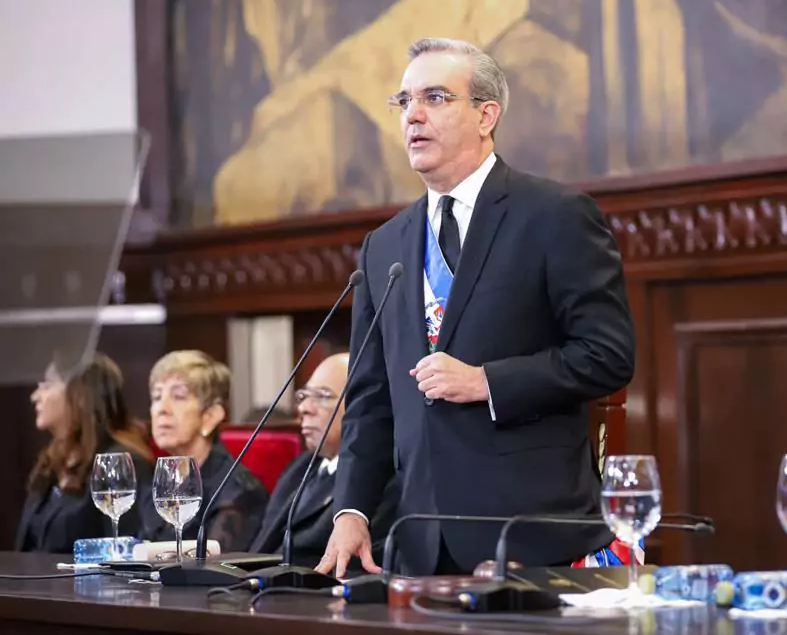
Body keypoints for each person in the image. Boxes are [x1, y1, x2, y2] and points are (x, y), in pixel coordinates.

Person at [316, 37, 635, 578]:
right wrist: (352, 510)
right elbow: (371, 399)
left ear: (487, 115)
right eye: (404, 101)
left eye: (435, 97)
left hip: (529, 534)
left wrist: (487, 382)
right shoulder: (384, 246)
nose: (413, 115)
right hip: (419, 543)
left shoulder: (554, 216)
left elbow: (608, 355)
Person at [249, 353, 397, 568]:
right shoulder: (301, 466)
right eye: (303, 396)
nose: (304, 408)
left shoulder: (381, 480)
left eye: (323, 396)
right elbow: (263, 543)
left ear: (363, 407)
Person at [16, 353, 154, 553]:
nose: (35, 396)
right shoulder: (51, 462)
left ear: (80, 395)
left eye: (47, 385)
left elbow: (124, 552)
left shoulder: (122, 463)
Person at [138, 350, 268, 553]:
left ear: (210, 416)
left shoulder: (239, 493)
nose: (162, 409)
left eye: (179, 396)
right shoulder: (158, 483)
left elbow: (212, 564)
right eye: (157, 396)